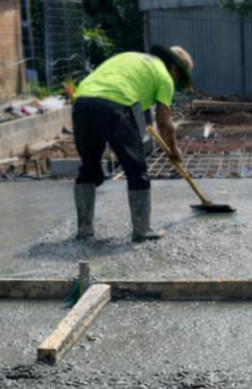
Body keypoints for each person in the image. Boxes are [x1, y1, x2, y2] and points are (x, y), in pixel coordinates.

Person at [71, 45, 193, 242]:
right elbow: (163, 121)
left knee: (88, 168)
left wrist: (141, 140)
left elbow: (141, 118)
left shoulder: (131, 58)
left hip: (82, 103)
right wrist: (173, 149)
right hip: (114, 106)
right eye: (180, 78)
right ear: (176, 70)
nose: (177, 82)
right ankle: (142, 230)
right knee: (137, 169)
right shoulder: (165, 76)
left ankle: (84, 231)